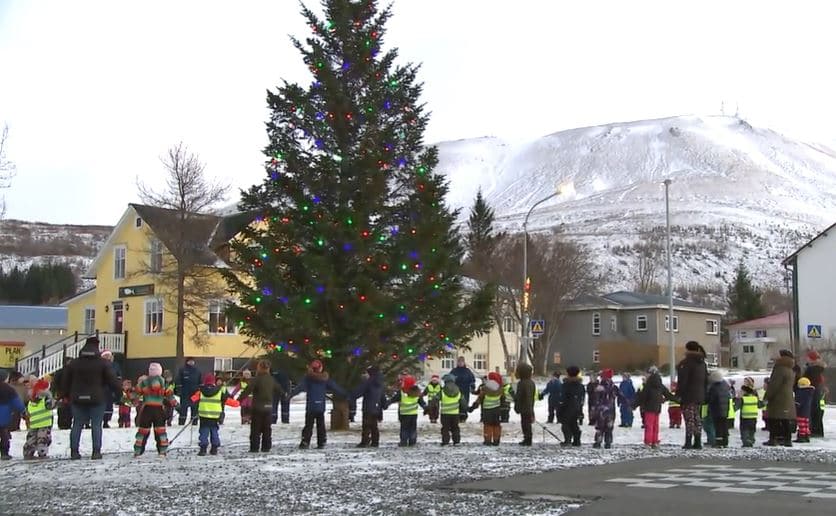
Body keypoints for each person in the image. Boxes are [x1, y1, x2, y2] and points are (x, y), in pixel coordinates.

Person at [61, 336, 121, 460]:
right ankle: (96, 452)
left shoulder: (74, 363)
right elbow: (113, 381)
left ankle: (74, 451)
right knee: (96, 425)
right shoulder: (103, 363)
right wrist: (118, 395)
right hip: (97, 398)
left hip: (77, 398)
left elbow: (65, 381)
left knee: (77, 424)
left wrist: (65, 395)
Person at [289, 360, 346, 449]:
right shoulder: (325, 378)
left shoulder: (308, 378)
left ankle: (305, 441)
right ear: (320, 368)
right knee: (321, 425)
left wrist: (290, 395)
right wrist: (345, 394)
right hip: (320, 406)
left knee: (308, 425)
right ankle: (322, 442)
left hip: (311, 406)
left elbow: (299, 388)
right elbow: (335, 387)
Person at [238, 360, 284, 453]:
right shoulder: (271, 379)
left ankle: (254, 447)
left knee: (256, 429)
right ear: (268, 368)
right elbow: (279, 390)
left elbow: (248, 390)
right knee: (267, 428)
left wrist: (239, 399)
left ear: (259, 368)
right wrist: (285, 395)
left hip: (257, 407)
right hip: (268, 408)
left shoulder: (256, 379)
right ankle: (266, 447)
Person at [133, 363, 176, 457]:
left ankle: (138, 450)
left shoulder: (144, 382)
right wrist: (175, 404)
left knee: (142, 431)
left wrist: (134, 400)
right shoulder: (164, 382)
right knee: (160, 431)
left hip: (147, 409)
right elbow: (170, 396)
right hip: (159, 410)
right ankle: (162, 450)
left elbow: (135, 394)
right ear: (160, 372)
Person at [675, 340, 709, 450]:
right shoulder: (702, 363)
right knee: (696, 418)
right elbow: (706, 380)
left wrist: (678, 394)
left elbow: (683, 381)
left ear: (688, 349)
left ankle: (688, 442)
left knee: (689, 419)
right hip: (699, 395)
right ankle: (698, 441)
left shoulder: (686, 363)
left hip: (688, 396)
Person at [633, 366, 675, 448]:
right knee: (655, 425)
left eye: (647, 374)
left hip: (649, 408)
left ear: (650, 374)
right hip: (657, 407)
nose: (646, 375)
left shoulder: (648, 385)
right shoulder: (660, 384)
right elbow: (668, 394)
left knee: (649, 425)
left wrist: (634, 405)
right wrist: (677, 399)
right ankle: (654, 441)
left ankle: (648, 442)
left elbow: (642, 397)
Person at [763, 349, 796, 447]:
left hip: (778, 398)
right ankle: (787, 439)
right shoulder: (790, 369)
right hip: (787, 398)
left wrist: (767, 396)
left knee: (774, 419)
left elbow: (774, 385)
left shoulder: (780, 369)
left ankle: (773, 439)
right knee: (785, 419)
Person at [192, 373, 231, 456]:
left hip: (204, 416)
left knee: (203, 432)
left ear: (205, 382)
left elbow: (193, 399)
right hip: (215, 417)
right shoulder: (219, 391)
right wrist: (237, 403)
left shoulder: (201, 391)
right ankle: (214, 448)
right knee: (214, 431)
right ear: (214, 382)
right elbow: (227, 400)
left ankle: (203, 449)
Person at [351, 366, 386, 448]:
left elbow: (358, 392)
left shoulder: (368, 382)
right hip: (377, 407)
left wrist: (350, 396)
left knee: (366, 425)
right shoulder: (380, 383)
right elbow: (382, 395)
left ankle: (365, 441)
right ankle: (375, 441)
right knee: (374, 425)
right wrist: (384, 404)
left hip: (368, 406)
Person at [388, 374, 426, 447]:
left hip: (404, 414)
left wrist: (386, 404)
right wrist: (426, 407)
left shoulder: (402, 393)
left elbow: (393, 399)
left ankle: (403, 441)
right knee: (413, 429)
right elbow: (422, 402)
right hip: (413, 414)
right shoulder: (417, 392)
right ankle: (412, 441)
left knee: (404, 428)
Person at [469, 371, 505, 446]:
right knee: (496, 425)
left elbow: (479, 399)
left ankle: (487, 440)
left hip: (487, 410)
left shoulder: (485, 389)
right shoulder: (500, 389)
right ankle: (496, 440)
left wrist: (473, 407)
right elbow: (503, 399)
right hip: (496, 410)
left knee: (488, 425)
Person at [593, 369, 624, 449]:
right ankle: (608, 442)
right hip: (611, 410)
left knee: (600, 427)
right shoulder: (614, 387)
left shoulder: (599, 387)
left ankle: (598, 442)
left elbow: (595, 399)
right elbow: (621, 396)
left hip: (601, 411)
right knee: (609, 427)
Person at [23, 378, 54, 460]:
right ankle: (42, 453)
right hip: (45, 422)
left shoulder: (31, 398)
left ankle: (28, 452)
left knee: (31, 438)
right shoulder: (46, 397)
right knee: (42, 439)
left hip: (33, 422)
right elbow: (50, 406)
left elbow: (26, 410)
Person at [0, 370, 27, 460]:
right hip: (3, 416)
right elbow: (16, 402)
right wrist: (23, 411)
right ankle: (4, 453)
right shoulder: (8, 389)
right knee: (4, 435)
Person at [557, 366, 585, 447]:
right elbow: (582, 398)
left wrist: (560, 406)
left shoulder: (566, 385)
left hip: (566, 407)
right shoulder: (580, 385)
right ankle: (577, 440)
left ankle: (567, 440)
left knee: (565, 424)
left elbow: (563, 397)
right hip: (577, 407)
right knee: (574, 424)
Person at [803, 350, 826, 438]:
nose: (806, 359)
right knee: (816, 411)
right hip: (816, 391)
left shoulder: (813, 369)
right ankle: (817, 430)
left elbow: (810, 380)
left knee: (814, 410)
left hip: (813, 392)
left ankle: (815, 430)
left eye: (808, 357)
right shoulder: (817, 369)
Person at [706, 370, 730, 448]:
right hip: (725, 409)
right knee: (724, 426)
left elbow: (711, 398)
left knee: (718, 427)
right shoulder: (725, 385)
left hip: (716, 410)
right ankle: (725, 442)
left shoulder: (714, 387)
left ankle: (719, 442)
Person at [514, 363, 536, 446]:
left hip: (524, 407)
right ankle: (528, 438)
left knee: (525, 424)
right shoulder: (531, 382)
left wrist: (517, 407)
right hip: (530, 406)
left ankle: (527, 439)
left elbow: (519, 397)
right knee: (527, 424)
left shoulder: (522, 383)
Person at [175, 357, 201, 426]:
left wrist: (200, 390)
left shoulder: (197, 370)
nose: (191, 362)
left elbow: (200, 381)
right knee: (183, 410)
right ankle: (181, 423)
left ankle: (194, 423)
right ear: (187, 362)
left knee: (195, 409)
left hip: (195, 394)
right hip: (185, 394)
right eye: (190, 361)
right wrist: (179, 391)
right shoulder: (182, 370)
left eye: (192, 361)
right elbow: (178, 381)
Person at [439, 374, 464, 445]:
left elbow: (435, 399)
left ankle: (445, 441)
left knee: (445, 428)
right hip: (455, 413)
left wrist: (430, 408)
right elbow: (463, 402)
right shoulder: (458, 391)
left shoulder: (442, 391)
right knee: (455, 428)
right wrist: (464, 410)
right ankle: (456, 441)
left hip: (445, 413)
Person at [448, 357, 475, 422]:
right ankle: (456, 416)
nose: (460, 363)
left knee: (464, 402)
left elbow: (472, 379)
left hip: (465, 389)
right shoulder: (454, 371)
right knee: (456, 403)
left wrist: (472, 385)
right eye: (459, 362)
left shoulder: (467, 371)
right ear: (457, 363)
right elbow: (449, 378)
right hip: (456, 389)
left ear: (464, 362)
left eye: (461, 362)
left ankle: (463, 417)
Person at [100, 350, 122, 428]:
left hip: (111, 388)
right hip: (101, 388)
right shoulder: (99, 365)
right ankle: (100, 420)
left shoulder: (115, 365)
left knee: (109, 405)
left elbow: (118, 375)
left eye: (109, 356)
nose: (108, 357)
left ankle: (106, 421)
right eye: (106, 356)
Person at [738, 377, 760, 447]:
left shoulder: (743, 396)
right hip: (753, 416)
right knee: (751, 429)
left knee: (745, 429)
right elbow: (759, 403)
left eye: (746, 381)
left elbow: (738, 404)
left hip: (745, 415)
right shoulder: (754, 394)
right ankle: (751, 439)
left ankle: (747, 441)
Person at [794, 376, 815, 443]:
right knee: (806, 425)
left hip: (801, 412)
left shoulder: (801, 392)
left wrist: (795, 406)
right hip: (807, 412)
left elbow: (798, 402)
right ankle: (806, 435)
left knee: (801, 425)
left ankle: (801, 437)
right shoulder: (809, 392)